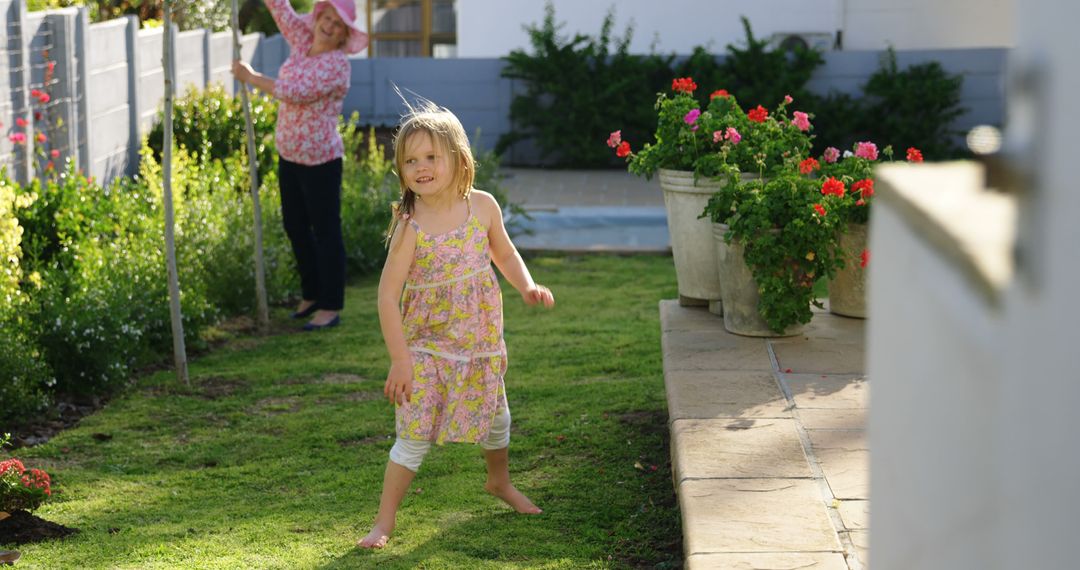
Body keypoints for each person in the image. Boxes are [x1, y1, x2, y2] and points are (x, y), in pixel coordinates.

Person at [358, 103, 555, 549]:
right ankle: (384, 523)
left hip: (479, 343)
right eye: (411, 160)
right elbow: (388, 296)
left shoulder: (482, 207)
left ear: (459, 159)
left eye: (431, 157)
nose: (420, 167)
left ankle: (499, 482)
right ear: (401, 169)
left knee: (496, 419)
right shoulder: (411, 227)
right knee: (413, 434)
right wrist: (400, 360)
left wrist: (525, 286)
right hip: (426, 347)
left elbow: (503, 253)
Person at [232, 0, 368, 331]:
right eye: (327, 18)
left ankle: (331, 305)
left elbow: (293, 92)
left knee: (325, 233)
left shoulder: (337, 66)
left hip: (321, 161)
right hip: (290, 155)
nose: (330, 26)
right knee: (295, 226)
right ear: (318, 16)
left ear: (343, 36)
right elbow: (282, 12)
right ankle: (311, 293)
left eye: (338, 25)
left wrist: (250, 78)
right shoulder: (303, 42)